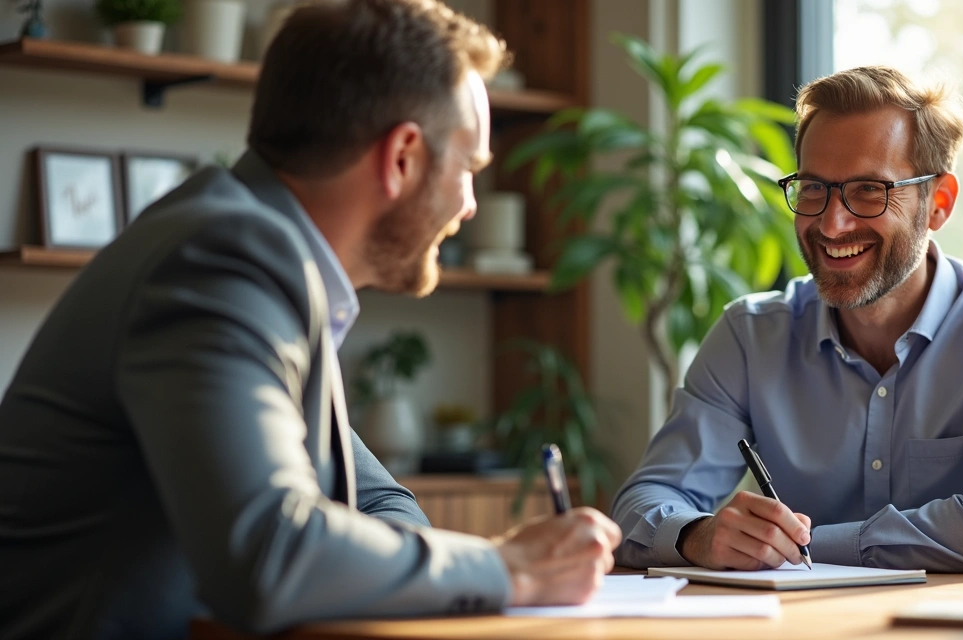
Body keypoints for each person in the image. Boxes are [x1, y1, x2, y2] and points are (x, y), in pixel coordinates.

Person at [0, 0, 620, 637]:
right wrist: (506, 568)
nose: (468, 207)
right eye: (468, 169)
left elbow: (379, 503)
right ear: (402, 156)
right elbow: (269, 555)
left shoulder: (256, 255)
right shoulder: (223, 260)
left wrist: (478, 565)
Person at [611, 66, 963, 576]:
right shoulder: (750, 335)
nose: (832, 224)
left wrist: (803, 549)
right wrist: (697, 536)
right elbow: (645, 501)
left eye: (868, 191)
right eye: (813, 188)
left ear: (938, 203)